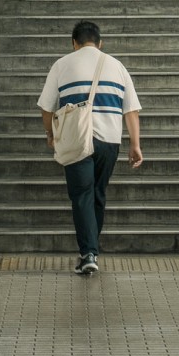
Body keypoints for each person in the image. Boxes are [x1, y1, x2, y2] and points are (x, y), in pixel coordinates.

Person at [37, 21, 143, 274]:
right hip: (109, 141)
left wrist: (51, 133)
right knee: (97, 193)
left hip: (76, 139)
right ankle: (92, 250)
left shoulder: (62, 64)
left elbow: (46, 107)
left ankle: (88, 254)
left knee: (81, 194)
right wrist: (135, 145)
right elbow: (131, 110)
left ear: (74, 42)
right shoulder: (117, 66)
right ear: (100, 42)